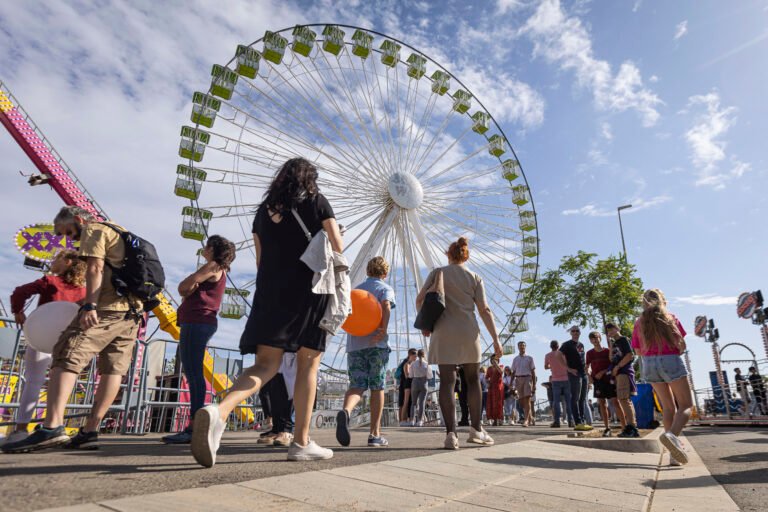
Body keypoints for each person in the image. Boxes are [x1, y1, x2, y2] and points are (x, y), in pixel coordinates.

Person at [190, 157, 345, 466]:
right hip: (309, 291)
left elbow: (261, 262)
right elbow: (337, 247)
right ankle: (301, 442)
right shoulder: (316, 201)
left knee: (264, 365)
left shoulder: (262, 213)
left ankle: (219, 411)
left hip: (270, 294)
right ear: (308, 179)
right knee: (308, 365)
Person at [3, 207, 146, 454]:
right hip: (132, 312)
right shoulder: (120, 232)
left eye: (68, 231)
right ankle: (90, 431)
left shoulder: (94, 229)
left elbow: (95, 269)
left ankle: (52, 427)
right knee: (113, 369)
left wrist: (89, 306)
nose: (69, 238)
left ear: (79, 220)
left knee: (65, 352)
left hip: (107, 308)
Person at [416, 237, 502, 449]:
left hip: (443, 332)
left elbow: (420, 300)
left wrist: (426, 323)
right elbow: (484, 310)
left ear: (448, 255)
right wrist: (496, 339)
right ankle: (476, 430)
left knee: (447, 382)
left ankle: (451, 435)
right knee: (472, 381)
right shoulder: (474, 277)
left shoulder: (437, 273)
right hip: (468, 332)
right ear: (466, 256)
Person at [3, 250, 86, 446]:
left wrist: (18, 312)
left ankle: (21, 429)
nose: (52, 261)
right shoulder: (85, 291)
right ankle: (55, 425)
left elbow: (19, 292)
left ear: (67, 262)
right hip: (68, 341)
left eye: (56, 258)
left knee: (33, 382)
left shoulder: (50, 281)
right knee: (62, 385)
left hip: (42, 338)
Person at [162, 235, 236, 444]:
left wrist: (191, 284)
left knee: (194, 374)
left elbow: (183, 287)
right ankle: (196, 424)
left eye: (207, 246)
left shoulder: (212, 266)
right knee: (194, 373)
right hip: (202, 322)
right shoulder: (220, 270)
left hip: (197, 321)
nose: (204, 249)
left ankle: (194, 426)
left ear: (212, 249)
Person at [336, 256, 395, 447]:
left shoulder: (356, 290)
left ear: (368, 270)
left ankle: (345, 411)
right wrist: (383, 329)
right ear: (385, 273)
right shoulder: (384, 288)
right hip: (376, 346)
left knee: (356, 386)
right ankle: (374, 435)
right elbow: (386, 305)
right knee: (377, 387)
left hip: (355, 345)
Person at [632, 288, 693, 466]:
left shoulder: (639, 322)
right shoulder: (670, 317)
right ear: (662, 301)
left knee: (668, 407)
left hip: (649, 363)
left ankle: (674, 454)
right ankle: (672, 436)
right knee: (686, 405)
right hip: (670, 360)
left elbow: (637, 350)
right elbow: (681, 345)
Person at [586, 331, 624, 437]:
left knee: (615, 402)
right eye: (592, 339)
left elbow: (613, 364)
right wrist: (589, 377)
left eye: (596, 338)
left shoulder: (607, 351)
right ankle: (607, 428)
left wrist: (603, 372)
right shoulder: (589, 353)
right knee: (602, 404)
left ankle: (624, 426)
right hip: (598, 381)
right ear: (590, 341)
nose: (595, 340)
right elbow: (587, 367)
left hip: (609, 379)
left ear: (600, 338)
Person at [606, 322, 639, 438]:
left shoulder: (623, 340)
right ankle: (630, 427)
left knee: (624, 399)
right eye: (608, 331)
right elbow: (611, 359)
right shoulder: (615, 343)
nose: (610, 332)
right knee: (623, 399)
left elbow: (630, 355)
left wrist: (618, 367)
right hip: (618, 373)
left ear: (617, 328)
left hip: (624, 371)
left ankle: (632, 427)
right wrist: (611, 347)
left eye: (612, 329)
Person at [560, 326, 592, 431]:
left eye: (577, 331)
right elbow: (558, 356)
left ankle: (582, 421)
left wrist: (588, 369)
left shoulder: (581, 345)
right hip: (574, 374)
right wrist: (568, 369)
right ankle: (577, 422)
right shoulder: (566, 345)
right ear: (570, 333)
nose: (575, 332)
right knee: (575, 398)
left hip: (583, 373)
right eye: (573, 331)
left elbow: (582, 359)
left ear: (580, 332)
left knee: (583, 398)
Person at [544, 340, 571, 428]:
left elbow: (546, 367)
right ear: (558, 346)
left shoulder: (548, 355)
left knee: (556, 402)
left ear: (550, 346)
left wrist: (552, 366)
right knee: (568, 401)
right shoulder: (563, 354)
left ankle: (557, 421)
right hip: (566, 378)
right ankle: (571, 421)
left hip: (555, 379)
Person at [510, 341, 536, 426]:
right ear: (518, 347)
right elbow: (513, 371)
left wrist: (534, 384)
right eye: (520, 345)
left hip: (527, 378)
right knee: (521, 401)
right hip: (518, 379)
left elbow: (533, 371)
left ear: (525, 347)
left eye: (523, 345)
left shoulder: (529, 358)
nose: (522, 347)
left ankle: (526, 420)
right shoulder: (515, 359)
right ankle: (530, 417)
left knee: (527, 399)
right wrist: (511, 383)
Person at [409, 349, 433, 427]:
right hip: (423, 382)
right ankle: (419, 421)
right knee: (422, 403)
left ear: (417, 355)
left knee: (413, 403)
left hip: (415, 382)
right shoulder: (427, 364)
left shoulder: (413, 363)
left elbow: (410, 375)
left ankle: (412, 420)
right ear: (424, 355)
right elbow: (430, 376)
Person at [397, 349, 417, 426]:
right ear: (410, 355)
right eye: (414, 355)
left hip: (408, 385)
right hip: (407, 385)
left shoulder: (410, 364)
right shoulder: (407, 364)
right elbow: (407, 375)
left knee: (407, 403)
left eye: (416, 355)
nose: (415, 357)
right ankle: (403, 421)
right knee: (405, 403)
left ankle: (405, 420)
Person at [485, 359, 504, 426]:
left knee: (498, 403)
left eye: (495, 359)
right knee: (492, 403)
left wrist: (496, 365)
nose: (494, 361)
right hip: (491, 387)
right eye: (493, 359)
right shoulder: (489, 368)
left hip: (498, 387)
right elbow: (486, 377)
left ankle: (500, 419)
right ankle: (494, 420)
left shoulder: (501, 366)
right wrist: (488, 382)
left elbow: (501, 372)